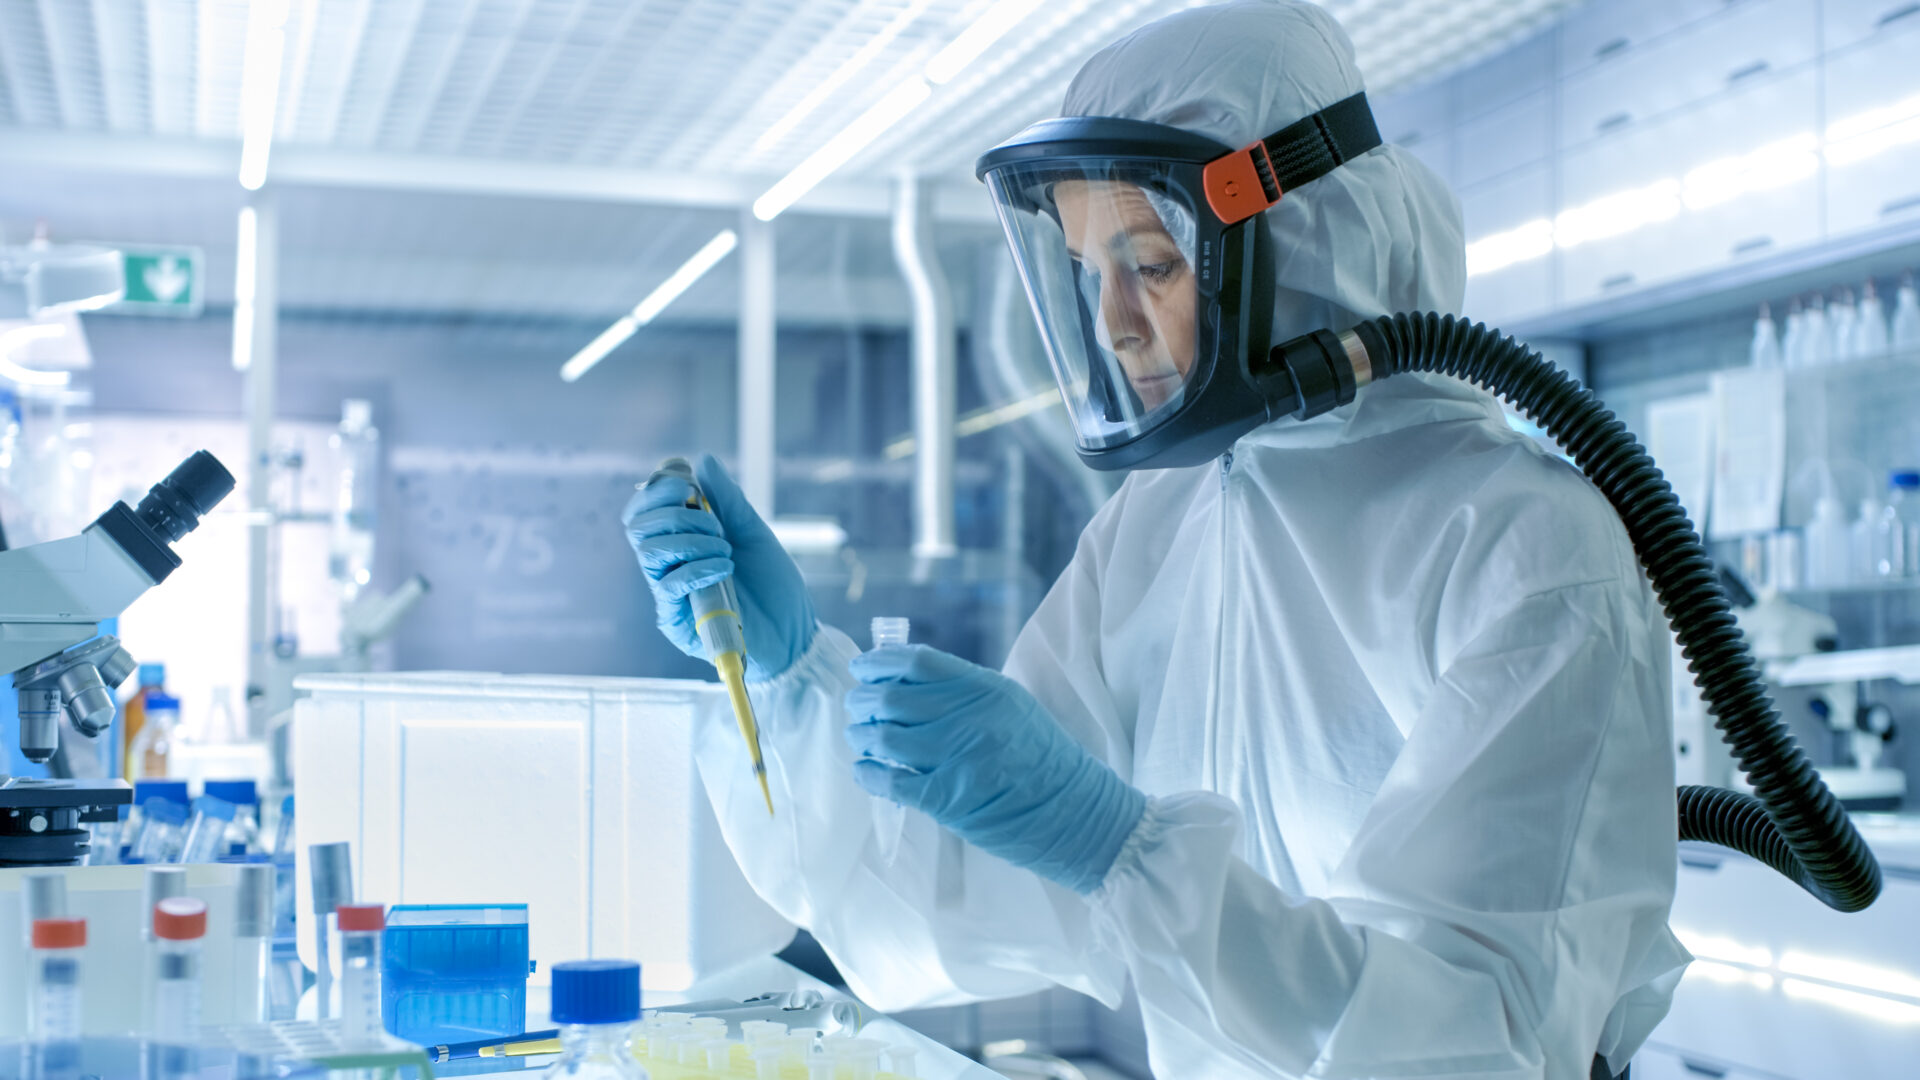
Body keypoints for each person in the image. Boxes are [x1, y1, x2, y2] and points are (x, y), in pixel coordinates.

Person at [624, 3, 1686, 1077]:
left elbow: (1470, 1042)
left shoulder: (1526, 548)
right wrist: (788, 681)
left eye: (1153, 265)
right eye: (1091, 272)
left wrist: (1118, 846)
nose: (1114, 324)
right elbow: (954, 908)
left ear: (1298, 241)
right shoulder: (1165, 521)